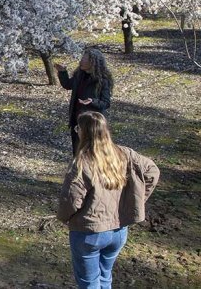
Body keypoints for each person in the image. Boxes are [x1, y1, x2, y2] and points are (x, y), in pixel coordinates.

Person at [57, 112, 159, 289]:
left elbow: (71, 199)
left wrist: (63, 217)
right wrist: (137, 201)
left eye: (77, 128)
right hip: (119, 232)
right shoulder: (125, 154)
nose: (77, 132)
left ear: (85, 132)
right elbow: (152, 172)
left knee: (90, 283)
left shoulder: (82, 163)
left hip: (89, 233)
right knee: (105, 278)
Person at [55, 47, 113, 154]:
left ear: (93, 62)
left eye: (84, 59)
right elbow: (68, 85)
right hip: (77, 121)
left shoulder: (103, 80)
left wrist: (92, 101)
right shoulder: (79, 75)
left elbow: (106, 103)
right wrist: (62, 72)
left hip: (92, 123)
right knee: (77, 152)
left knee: (92, 153)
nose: (80, 61)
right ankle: (78, 170)